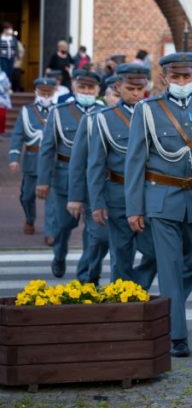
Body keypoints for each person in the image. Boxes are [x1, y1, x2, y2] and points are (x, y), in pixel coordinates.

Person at [124, 52, 192, 358]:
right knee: (169, 268)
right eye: (175, 77)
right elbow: (135, 161)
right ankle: (177, 335)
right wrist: (134, 208)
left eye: (186, 76)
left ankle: (174, 301)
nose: (181, 81)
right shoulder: (148, 110)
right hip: (163, 198)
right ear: (164, 78)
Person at [80, 64, 159, 288]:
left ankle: (137, 285)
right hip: (118, 194)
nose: (136, 93)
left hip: (150, 192)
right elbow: (95, 165)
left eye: (140, 89)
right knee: (121, 253)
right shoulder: (105, 118)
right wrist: (97, 203)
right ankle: (123, 299)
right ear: (118, 86)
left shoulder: (156, 113)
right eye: (130, 88)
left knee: (155, 250)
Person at [36, 69, 104, 279]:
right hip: (64, 177)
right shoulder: (59, 112)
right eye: (82, 87)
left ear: (98, 90)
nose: (86, 91)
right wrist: (43, 180)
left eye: (90, 88)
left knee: (95, 231)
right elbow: (47, 149)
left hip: (95, 179)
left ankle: (87, 276)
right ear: (74, 87)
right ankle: (59, 255)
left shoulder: (105, 113)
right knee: (64, 225)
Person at [67, 75, 113, 284]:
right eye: (114, 94)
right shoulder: (93, 119)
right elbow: (78, 161)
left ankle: (122, 285)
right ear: (107, 95)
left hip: (126, 190)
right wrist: (75, 196)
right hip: (97, 187)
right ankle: (87, 276)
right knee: (99, 237)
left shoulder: (138, 116)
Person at [8, 77, 57, 235]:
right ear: (36, 91)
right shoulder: (26, 111)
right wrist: (14, 158)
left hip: (53, 161)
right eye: (43, 92)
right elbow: (17, 135)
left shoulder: (60, 110)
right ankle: (30, 219)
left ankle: (50, 232)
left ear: (54, 92)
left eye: (49, 92)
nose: (46, 96)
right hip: (32, 159)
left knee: (52, 198)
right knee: (27, 196)